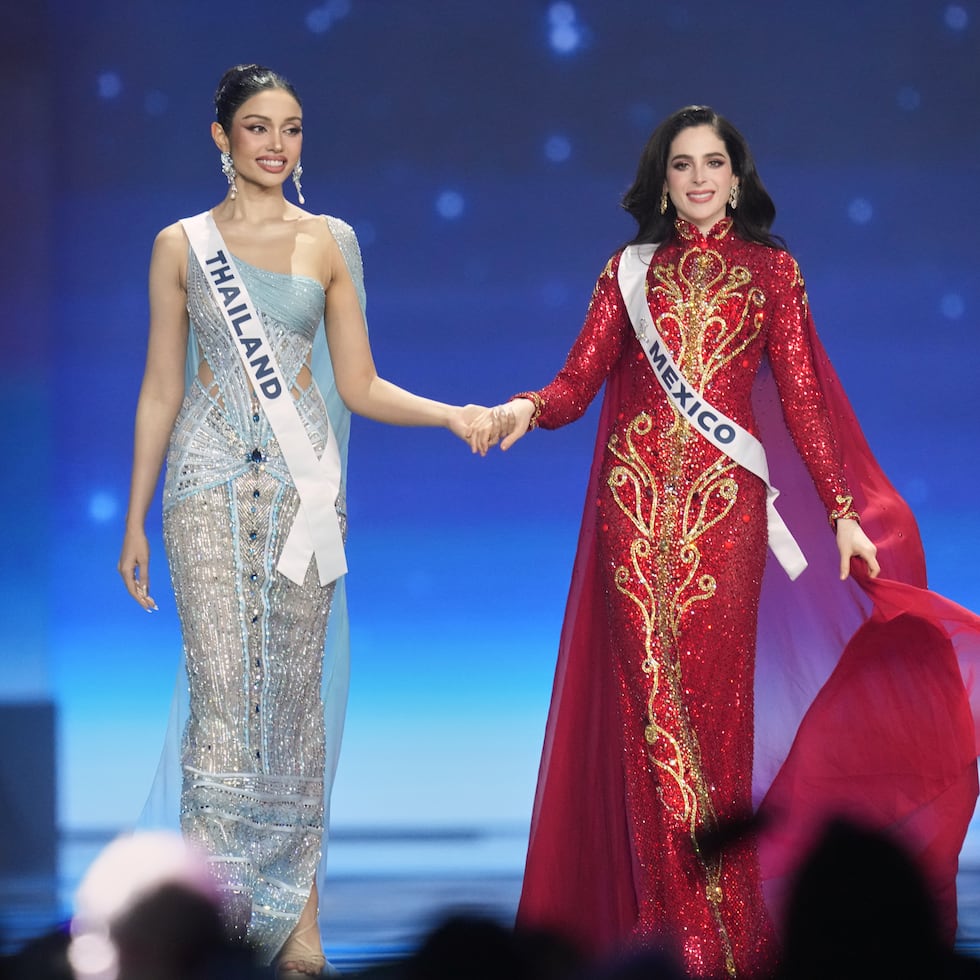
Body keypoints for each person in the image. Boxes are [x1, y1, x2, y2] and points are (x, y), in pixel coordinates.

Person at [471, 106, 980, 978]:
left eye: (714, 163)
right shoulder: (628, 272)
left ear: (737, 179)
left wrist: (843, 512)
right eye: (682, 165)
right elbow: (578, 379)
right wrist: (521, 409)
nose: (700, 178)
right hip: (632, 520)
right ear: (661, 183)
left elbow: (807, 401)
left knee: (708, 721)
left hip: (726, 523)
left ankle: (716, 931)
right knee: (652, 716)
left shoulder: (771, 272)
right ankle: (684, 934)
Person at [118, 64, 485, 977]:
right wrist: (132, 518)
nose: (276, 145)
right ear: (221, 137)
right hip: (201, 487)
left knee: (290, 708)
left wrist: (449, 413)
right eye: (256, 127)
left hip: (301, 495)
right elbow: (162, 385)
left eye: (291, 128)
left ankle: (297, 923)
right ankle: (216, 920)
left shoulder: (328, 242)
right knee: (219, 703)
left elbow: (356, 384)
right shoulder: (180, 245)